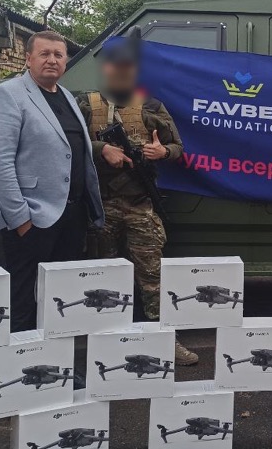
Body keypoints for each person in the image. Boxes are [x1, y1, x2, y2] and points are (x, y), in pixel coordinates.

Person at [76, 39, 198, 365]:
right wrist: (101, 149)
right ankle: (106, 346)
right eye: (115, 66)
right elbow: (65, 142)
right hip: (100, 206)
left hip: (139, 204)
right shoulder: (84, 104)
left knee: (153, 278)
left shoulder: (151, 107)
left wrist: (162, 152)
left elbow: (178, 148)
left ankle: (164, 341)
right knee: (103, 281)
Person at [0, 30, 104, 332]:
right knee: (24, 300)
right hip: (33, 218)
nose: (52, 60)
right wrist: (20, 218)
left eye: (58, 55)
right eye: (44, 54)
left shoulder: (66, 97)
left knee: (60, 301)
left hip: (71, 216)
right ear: (28, 58)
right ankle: (22, 358)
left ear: (66, 61)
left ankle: (55, 358)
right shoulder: (8, 94)